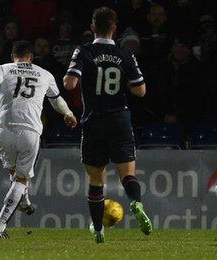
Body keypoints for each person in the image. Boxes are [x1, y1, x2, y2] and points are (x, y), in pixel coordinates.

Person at [63, 7, 152, 244]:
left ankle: (99, 230)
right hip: (120, 119)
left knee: (96, 180)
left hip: (94, 120)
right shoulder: (125, 54)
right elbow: (141, 90)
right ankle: (136, 202)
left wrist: (71, 77)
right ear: (115, 29)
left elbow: (70, 84)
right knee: (128, 175)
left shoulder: (84, 51)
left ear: (92, 27)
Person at [0, 40, 77, 239]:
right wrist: (68, 113)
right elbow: (56, 99)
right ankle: (0, 227)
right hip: (30, 131)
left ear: (13, 56)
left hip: (4, 130)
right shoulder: (44, 74)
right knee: (21, 178)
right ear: (31, 58)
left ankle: (25, 202)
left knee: (15, 174)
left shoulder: (2, 68)